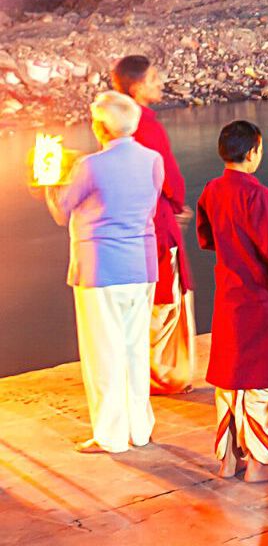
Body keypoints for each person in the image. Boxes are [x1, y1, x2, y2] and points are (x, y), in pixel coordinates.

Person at [38, 91, 162, 454]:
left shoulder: (90, 166)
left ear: (101, 127)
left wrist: (48, 180)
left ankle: (110, 436)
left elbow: (63, 210)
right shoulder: (152, 160)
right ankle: (140, 428)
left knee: (102, 353)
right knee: (136, 349)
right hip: (141, 264)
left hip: (100, 269)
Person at [197, 120, 268, 482]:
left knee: (229, 380)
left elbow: (206, 238)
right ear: (253, 152)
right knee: (263, 381)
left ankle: (228, 459)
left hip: (228, 294)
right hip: (260, 296)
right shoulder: (258, 195)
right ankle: (262, 464)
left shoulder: (211, 190)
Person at [109, 56, 195, 395]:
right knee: (165, 293)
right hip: (156, 219)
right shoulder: (144, 123)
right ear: (136, 87)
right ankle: (165, 374)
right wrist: (176, 203)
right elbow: (166, 174)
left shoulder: (114, 124)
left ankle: (145, 370)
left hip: (129, 221)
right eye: (154, 77)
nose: (161, 82)